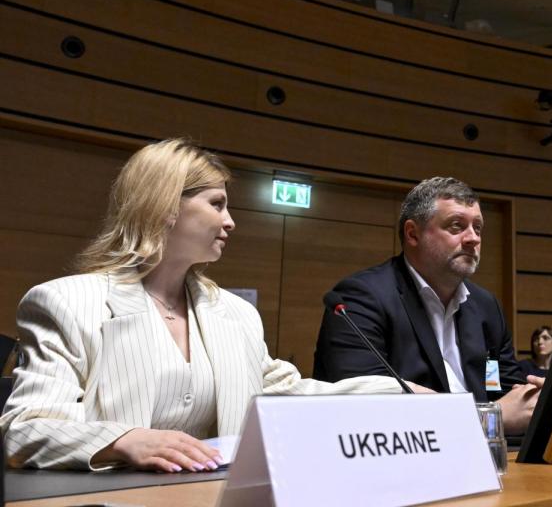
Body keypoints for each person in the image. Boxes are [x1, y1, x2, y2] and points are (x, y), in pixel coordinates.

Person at [0, 139, 405, 472]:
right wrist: (122, 440)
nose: (231, 222)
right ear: (165, 206)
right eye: (216, 204)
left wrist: (398, 393)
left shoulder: (236, 313)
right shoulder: (65, 302)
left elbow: (287, 392)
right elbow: (25, 429)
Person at [313, 177, 541, 433]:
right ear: (413, 234)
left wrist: (531, 399)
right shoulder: (360, 298)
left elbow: (499, 385)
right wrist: (491, 417)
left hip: (488, 457)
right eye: (457, 226)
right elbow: (367, 407)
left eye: (477, 228)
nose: (473, 239)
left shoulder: (487, 307)